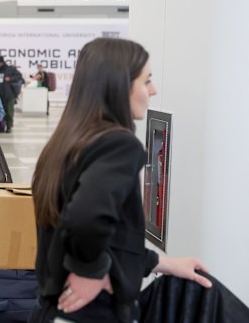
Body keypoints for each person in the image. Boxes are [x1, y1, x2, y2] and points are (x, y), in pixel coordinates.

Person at [29, 38, 212, 323]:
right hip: (92, 313)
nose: (153, 90)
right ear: (119, 86)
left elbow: (112, 238)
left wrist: (162, 264)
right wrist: (89, 271)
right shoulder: (119, 144)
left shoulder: (66, 142)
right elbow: (86, 217)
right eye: (146, 81)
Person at [0, 56, 23, 133]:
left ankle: (9, 126)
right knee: (0, 112)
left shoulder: (10, 69)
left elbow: (19, 76)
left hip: (9, 95)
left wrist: (10, 79)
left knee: (9, 112)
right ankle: (1, 127)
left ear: (2, 62)